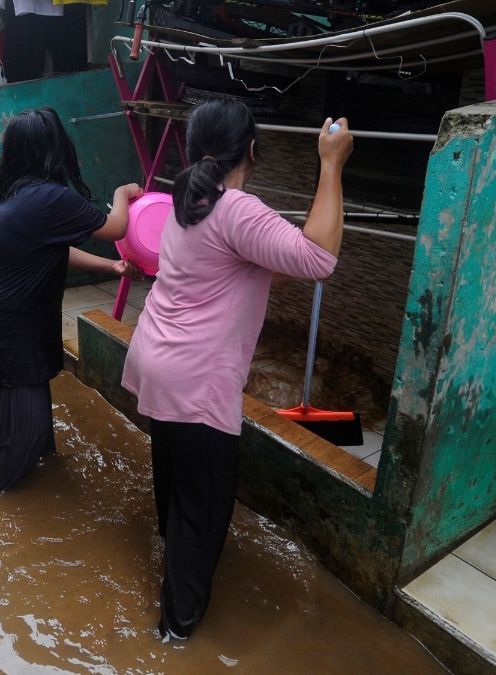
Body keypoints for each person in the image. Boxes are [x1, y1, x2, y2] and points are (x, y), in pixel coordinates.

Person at [121, 99, 353, 641]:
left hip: (157, 359)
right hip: (196, 381)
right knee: (203, 512)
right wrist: (332, 164)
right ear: (251, 150)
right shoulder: (235, 208)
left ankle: (173, 573)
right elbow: (320, 259)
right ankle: (175, 633)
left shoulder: (187, 198)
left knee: (178, 488)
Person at [0, 108, 141, 492]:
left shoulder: (11, 197)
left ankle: (23, 498)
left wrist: (111, 268)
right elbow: (117, 226)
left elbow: (53, 251)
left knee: (32, 436)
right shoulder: (51, 197)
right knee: (15, 448)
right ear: (55, 150)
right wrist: (123, 193)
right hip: (9, 332)